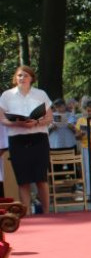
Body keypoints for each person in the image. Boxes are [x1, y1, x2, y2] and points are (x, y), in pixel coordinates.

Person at [0, 65, 53, 212]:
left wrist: (36, 122)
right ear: (15, 78)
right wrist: (17, 123)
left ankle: (47, 213)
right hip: (17, 139)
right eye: (19, 76)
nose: (22, 78)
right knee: (23, 180)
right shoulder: (6, 95)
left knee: (41, 179)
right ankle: (27, 214)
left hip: (39, 137)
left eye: (25, 76)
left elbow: (49, 118)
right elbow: (2, 119)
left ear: (32, 78)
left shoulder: (40, 94)